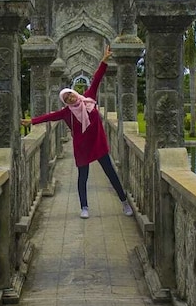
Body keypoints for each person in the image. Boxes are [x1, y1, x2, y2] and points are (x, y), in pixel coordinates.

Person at [22, 46, 133, 219]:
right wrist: (32, 121)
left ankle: (124, 202)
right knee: (83, 177)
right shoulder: (66, 112)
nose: (71, 99)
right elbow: (50, 116)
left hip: (97, 142)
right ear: (65, 102)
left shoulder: (89, 98)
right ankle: (84, 207)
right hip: (82, 147)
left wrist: (104, 60)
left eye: (71, 96)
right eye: (66, 99)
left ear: (75, 93)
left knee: (111, 173)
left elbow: (96, 79)